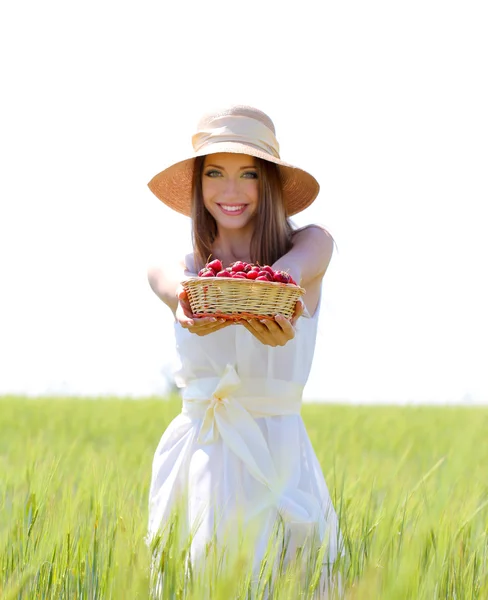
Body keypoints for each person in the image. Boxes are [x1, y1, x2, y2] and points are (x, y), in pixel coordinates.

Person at [146, 105, 342, 598]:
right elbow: (168, 282)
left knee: (288, 579)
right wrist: (184, 301)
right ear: (198, 183)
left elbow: (295, 271)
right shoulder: (183, 266)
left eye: (248, 174)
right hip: (202, 453)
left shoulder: (310, 243)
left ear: (269, 182)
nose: (230, 191)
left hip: (278, 453)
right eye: (215, 173)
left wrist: (277, 294)